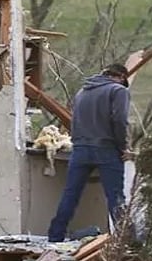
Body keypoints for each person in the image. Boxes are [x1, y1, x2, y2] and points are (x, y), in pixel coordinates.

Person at [47, 62, 132, 242]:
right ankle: (127, 241)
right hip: (107, 149)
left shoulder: (82, 92)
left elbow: (75, 121)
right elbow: (119, 120)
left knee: (71, 194)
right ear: (121, 77)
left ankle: (55, 236)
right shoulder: (118, 91)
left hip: (80, 149)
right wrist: (123, 147)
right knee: (115, 197)